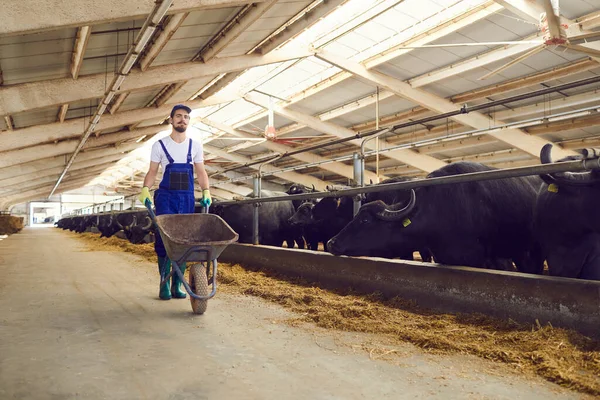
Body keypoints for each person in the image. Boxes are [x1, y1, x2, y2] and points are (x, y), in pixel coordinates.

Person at [139, 104, 212, 300]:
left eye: (186, 117)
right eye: (178, 116)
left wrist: (206, 190)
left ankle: (176, 285)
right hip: (166, 198)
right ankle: (163, 284)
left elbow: (201, 171)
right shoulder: (160, 145)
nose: (183, 120)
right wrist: (145, 188)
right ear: (171, 120)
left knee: (184, 240)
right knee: (164, 240)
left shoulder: (195, 145)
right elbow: (153, 172)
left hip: (187, 197)